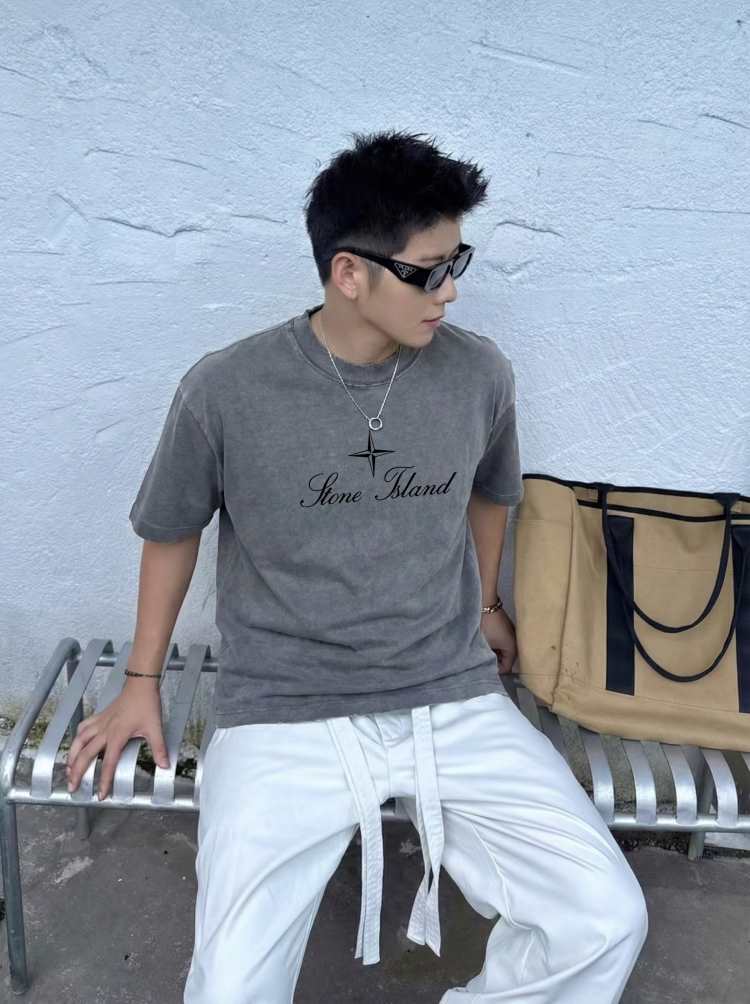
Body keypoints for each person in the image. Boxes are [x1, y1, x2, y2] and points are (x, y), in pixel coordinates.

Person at [65, 128, 648, 1003]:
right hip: (284, 704)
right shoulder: (227, 389)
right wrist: (142, 679)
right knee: (229, 987)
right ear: (349, 273)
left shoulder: (478, 375)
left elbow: (491, 494)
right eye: (428, 272)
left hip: (446, 692)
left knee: (604, 918)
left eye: (458, 263)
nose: (450, 291)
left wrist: (486, 608)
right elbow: (172, 528)